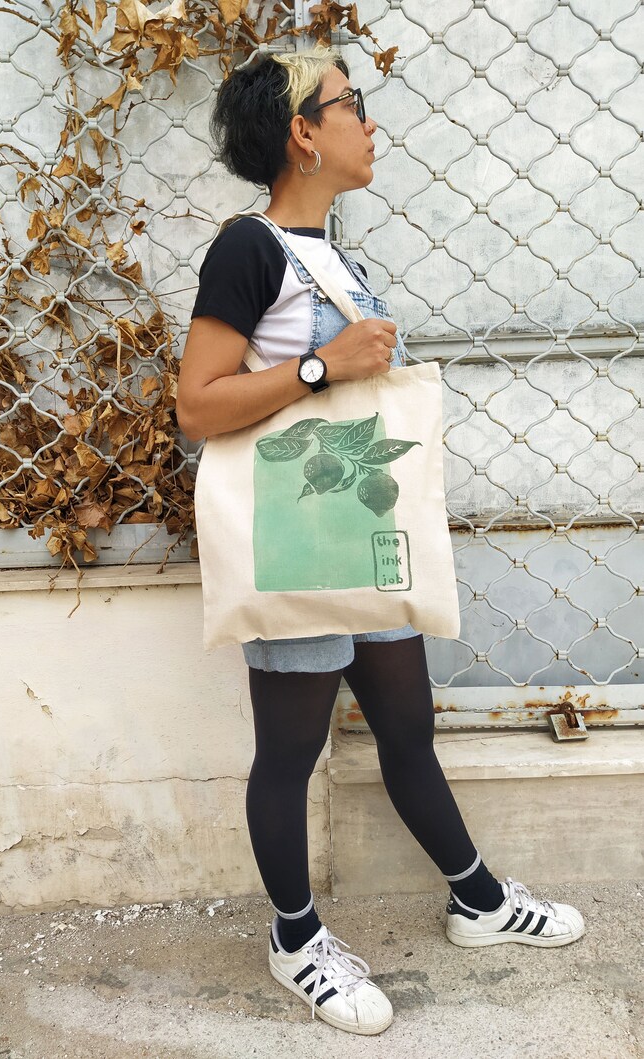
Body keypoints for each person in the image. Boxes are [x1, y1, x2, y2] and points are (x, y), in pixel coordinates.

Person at [176, 44, 585, 1037]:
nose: (368, 119)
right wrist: (323, 368)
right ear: (301, 133)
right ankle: (294, 938)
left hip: (357, 531)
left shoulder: (329, 255)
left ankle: (477, 900)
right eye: (348, 104)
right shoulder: (249, 248)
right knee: (289, 750)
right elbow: (195, 403)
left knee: (405, 729)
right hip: (292, 539)